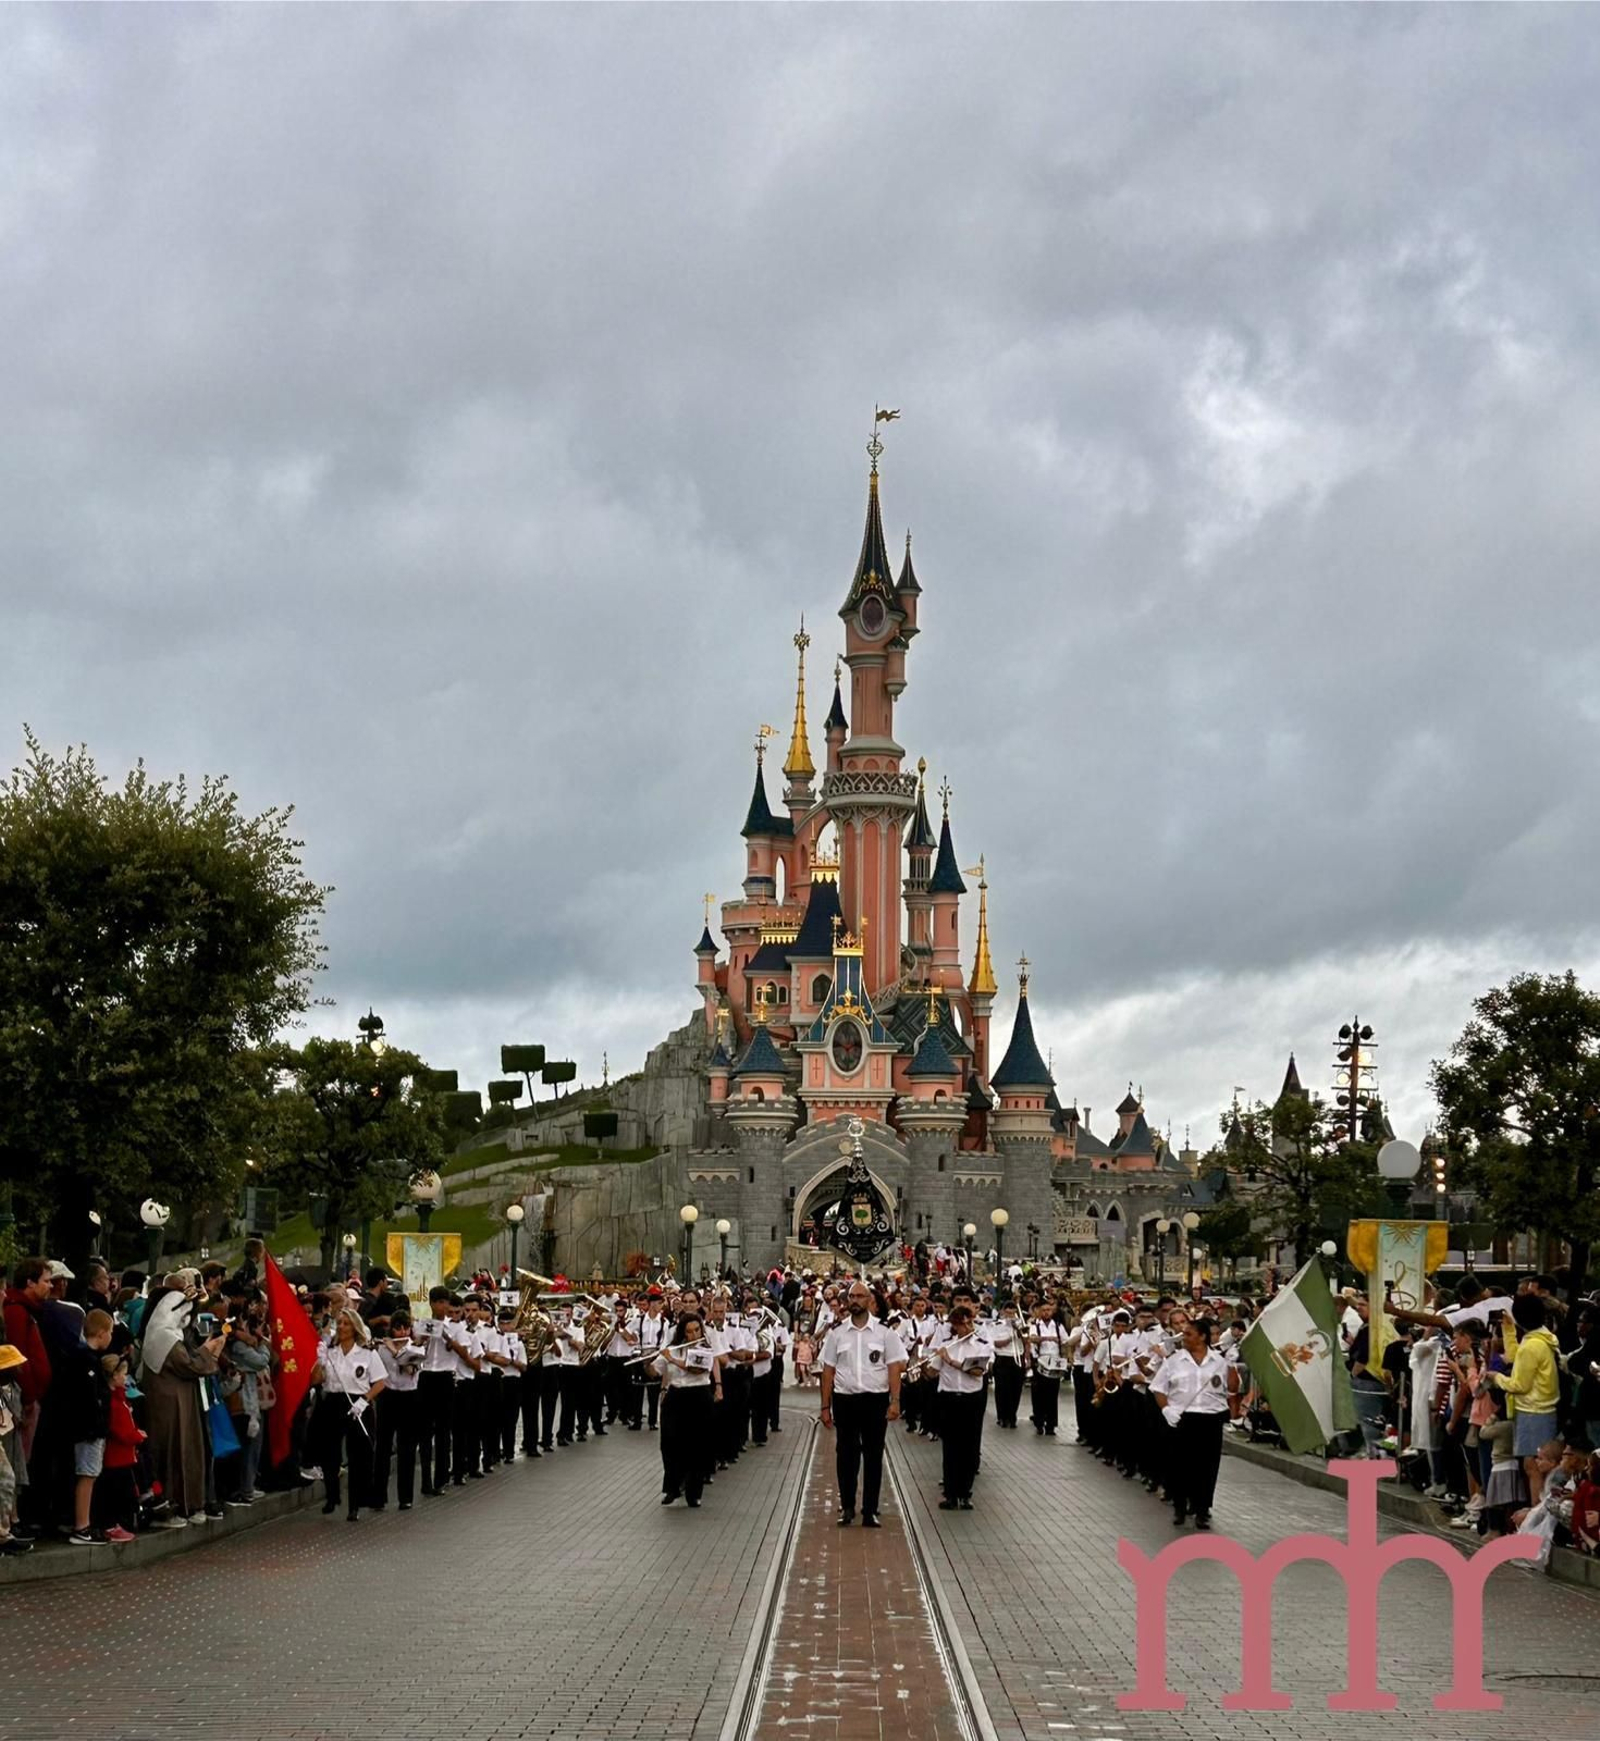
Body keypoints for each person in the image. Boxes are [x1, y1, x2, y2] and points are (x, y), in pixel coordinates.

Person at [819, 1280, 906, 1528]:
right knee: (845, 1455)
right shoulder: (836, 1334)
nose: (855, 1300)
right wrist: (825, 1406)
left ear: (870, 1301)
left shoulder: (885, 1333)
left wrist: (895, 1401)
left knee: (873, 1455)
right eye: (851, 1297)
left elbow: (894, 1368)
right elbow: (827, 1371)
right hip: (845, 1400)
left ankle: (870, 1509)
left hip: (875, 1400)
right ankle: (847, 1506)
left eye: (860, 1296)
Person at [140, 1283, 223, 1527]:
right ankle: (175, 1505)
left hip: (178, 1403)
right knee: (176, 1452)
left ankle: (187, 1503)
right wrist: (209, 1350)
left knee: (184, 1450)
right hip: (170, 1407)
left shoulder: (164, 1333)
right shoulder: (164, 1336)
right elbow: (190, 1365)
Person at [1153, 1315, 1239, 1530]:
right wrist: (1166, 1410)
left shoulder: (1219, 1361)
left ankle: (1202, 1510)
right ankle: (1180, 1508)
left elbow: (1232, 1388)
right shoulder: (1174, 1361)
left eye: (1189, 1334)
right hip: (1183, 1418)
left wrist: (1232, 1367)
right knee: (1181, 1465)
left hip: (1211, 1418)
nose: (1184, 1338)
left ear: (1202, 1337)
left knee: (1207, 1466)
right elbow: (1158, 1388)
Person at [309, 1308, 386, 1521]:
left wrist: (365, 1400)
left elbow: (380, 1382)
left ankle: (355, 1505)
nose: (342, 1327)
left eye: (346, 1323)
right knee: (329, 1454)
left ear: (355, 1327)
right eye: (339, 1323)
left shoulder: (367, 1353)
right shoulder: (330, 1352)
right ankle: (332, 1495)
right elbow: (315, 1380)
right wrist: (320, 1361)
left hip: (357, 1402)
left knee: (358, 1455)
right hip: (333, 1401)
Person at [1490, 1293, 1563, 1504]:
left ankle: (1536, 1515)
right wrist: (1509, 1329)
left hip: (1534, 1411)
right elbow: (1516, 1358)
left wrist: (1497, 1378)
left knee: (1534, 1466)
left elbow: (1519, 1385)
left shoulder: (1532, 1346)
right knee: (1536, 1465)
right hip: (1541, 1410)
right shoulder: (1543, 1338)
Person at [656, 1311, 719, 1508]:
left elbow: (695, 1368)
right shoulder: (674, 1348)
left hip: (699, 1397)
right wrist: (646, 1361)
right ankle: (672, 1488)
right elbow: (656, 1370)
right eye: (689, 1332)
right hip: (676, 1396)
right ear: (682, 1333)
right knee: (669, 1443)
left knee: (697, 1446)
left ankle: (694, 1493)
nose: (693, 1335)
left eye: (696, 1330)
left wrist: (671, 1359)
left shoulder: (705, 1348)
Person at [934, 1302, 992, 1510]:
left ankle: (965, 1493)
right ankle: (950, 1494)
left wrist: (950, 1361)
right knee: (950, 1447)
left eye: (969, 1324)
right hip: (949, 1398)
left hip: (971, 1399)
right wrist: (924, 1363)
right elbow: (932, 1371)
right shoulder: (946, 1344)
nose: (967, 1328)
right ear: (954, 1326)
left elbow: (977, 1371)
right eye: (961, 1325)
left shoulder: (982, 1344)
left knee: (969, 1446)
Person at [376, 1308, 424, 1510]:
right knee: (383, 1447)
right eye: (398, 1328)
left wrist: (395, 1351)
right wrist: (380, 1346)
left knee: (407, 1448)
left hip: (409, 1397)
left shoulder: (417, 1349)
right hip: (387, 1397)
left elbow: (410, 1369)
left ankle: (405, 1497)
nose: (402, 1333)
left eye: (405, 1328)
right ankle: (378, 1497)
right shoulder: (381, 1349)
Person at [416, 1286, 461, 1495]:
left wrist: (445, 1335)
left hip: (445, 1376)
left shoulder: (454, 1327)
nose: (442, 1307)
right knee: (424, 1431)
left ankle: (440, 1479)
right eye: (438, 1302)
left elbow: (458, 1349)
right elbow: (415, 1348)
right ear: (432, 1304)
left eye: (445, 1303)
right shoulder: (421, 1324)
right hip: (426, 1376)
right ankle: (425, 1480)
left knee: (444, 1430)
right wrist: (422, 1339)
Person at [989, 1301, 1026, 1430]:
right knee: (1002, 1390)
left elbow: (1027, 1340)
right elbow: (996, 1343)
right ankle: (1002, 1417)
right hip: (1003, 1358)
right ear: (1003, 1312)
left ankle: (1012, 1416)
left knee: (1016, 1389)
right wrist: (1011, 1338)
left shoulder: (1021, 1324)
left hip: (1018, 1358)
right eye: (1008, 1313)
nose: (1010, 1316)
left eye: (1013, 1313)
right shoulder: (996, 1325)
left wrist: (1019, 1331)